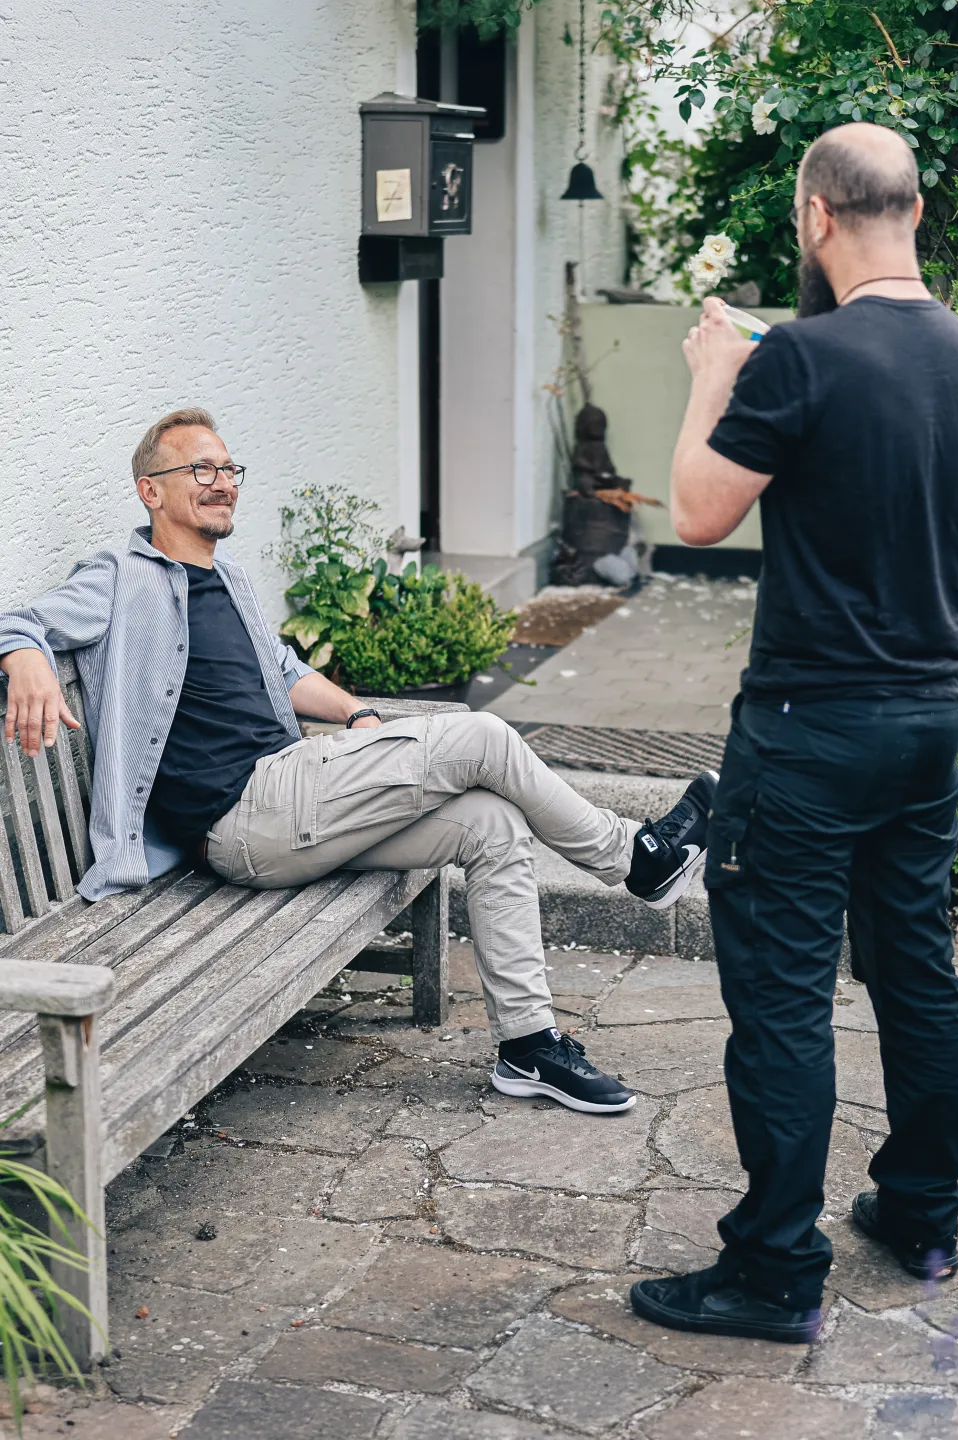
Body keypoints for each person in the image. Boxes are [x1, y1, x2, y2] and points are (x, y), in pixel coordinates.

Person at [0, 407, 715, 1116]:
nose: (221, 483)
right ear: (150, 491)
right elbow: (17, 619)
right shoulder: (120, 576)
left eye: (228, 470)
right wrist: (27, 659)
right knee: (484, 736)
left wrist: (355, 714)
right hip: (248, 815)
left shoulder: (234, 580)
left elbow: (282, 670)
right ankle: (637, 857)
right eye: (200, 470)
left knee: (492, 822)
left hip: (295, 805)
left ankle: (528, 1047)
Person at [630, 122, 958, 1345]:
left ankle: (773, 1272)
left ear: (818, 217)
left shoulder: (800, 360)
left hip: (809, 731)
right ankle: (925, 1213)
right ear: (914, 212)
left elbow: (701, 513)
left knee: (779, 999)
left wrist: (715, 373)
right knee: (917, 969)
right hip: (933, 723)